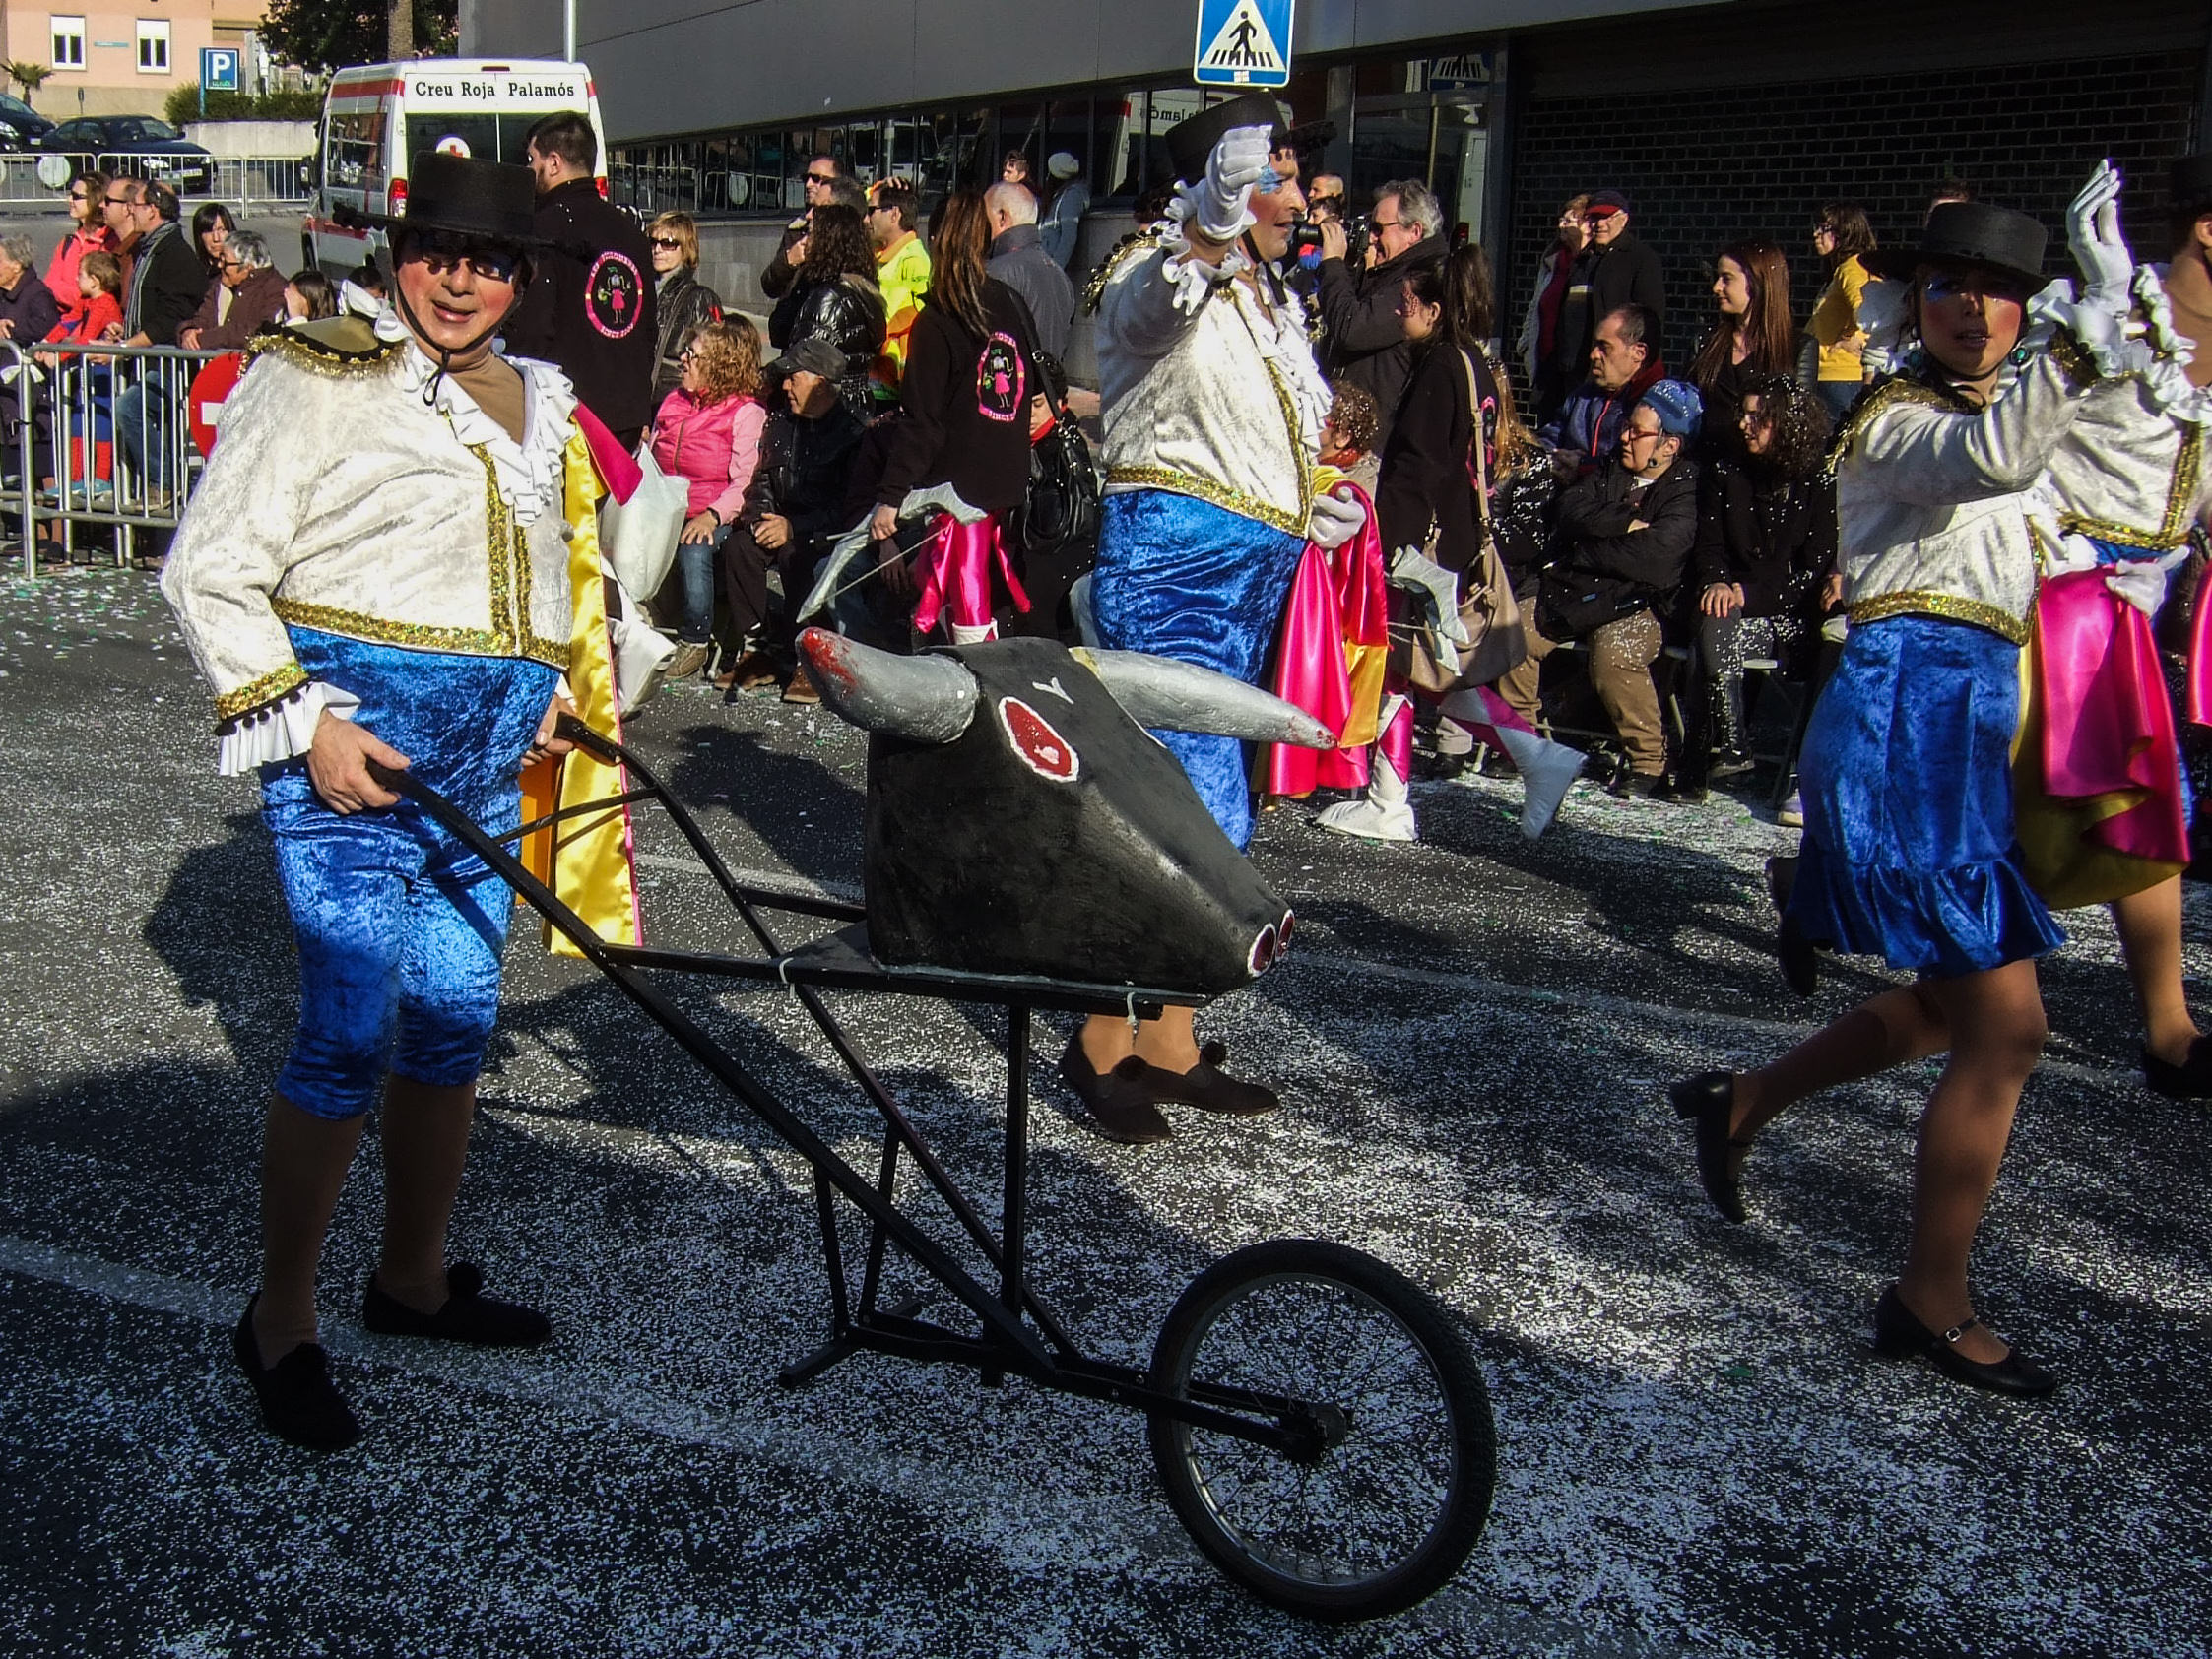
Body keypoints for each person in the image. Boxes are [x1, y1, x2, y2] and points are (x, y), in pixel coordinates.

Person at [160, 152, 633, 1449]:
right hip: (355, 766)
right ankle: (280, 1319)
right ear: (396, 254)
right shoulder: (318, 373)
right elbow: (209, 569)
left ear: (521, 277)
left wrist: (544, 684)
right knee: (346, 1030)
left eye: (488, 262)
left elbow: (544, 570)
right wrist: (306, 723)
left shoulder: (538, 398)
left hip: (483, 773)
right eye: (437, 254)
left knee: (454, 1024)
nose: (459, 283)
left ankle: (412, 1280)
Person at [1669, 187, 2147, 1399]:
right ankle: (1928, 1298)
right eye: (1947, 287)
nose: (1971, 310)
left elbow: (2129, 495)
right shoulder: (1891, 415)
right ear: (1912, 301)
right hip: (1903, 734)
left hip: (1964, 738)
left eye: (1998, 293)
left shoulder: (2006, 407)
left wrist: (2138, 341)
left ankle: (1744, 1098)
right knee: (2007, 1028)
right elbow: (1990, 462)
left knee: (1948, 1009)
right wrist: (2076, 345)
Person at [1070, 92, 1362, 1142]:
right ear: (1219, 184)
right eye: (1277, 176)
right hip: (1172, 581)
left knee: (1214, 817)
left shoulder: (1265, 300)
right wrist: (1207, 224)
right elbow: (1149, 314)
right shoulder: (1153, 272)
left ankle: (1169, 1040)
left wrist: (1307, 500)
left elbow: (1250, 432)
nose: (1299, 197)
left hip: (1242, 591)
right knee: (1169, 817)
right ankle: (1099, 1040)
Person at [2009, 155, 2212, 1100]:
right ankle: (1824, 887)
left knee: (2144, 795)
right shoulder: (2114, 307)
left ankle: (2169, 1028)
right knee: (2016, 798)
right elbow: (2015, 429)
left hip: (2133, 602)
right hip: (2053, 584)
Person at [1319, 245, 1586, 844]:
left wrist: (1389, 545)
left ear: (1435, 309)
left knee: (1399, 665)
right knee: (1429, 672)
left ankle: (1389, 801)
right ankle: (1535, 759)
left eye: (1408, 302)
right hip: (1455, 541)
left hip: (1424, 548)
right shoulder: (1472, 361)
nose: (1399, 311)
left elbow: (1417, 467)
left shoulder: (1440, 366)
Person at [868, 189, 1044, 644]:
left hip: (960, 494)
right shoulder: (1010, 302)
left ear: (937, 242)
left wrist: (890, 497)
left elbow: (921, 421)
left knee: (969, 611)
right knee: (962, 596)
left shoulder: (938, 318)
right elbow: (1042, 381)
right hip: (1007, 482)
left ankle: (977, 682)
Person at [1518, 379, 1704, 797]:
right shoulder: (1611, 469)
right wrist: (1623, 524)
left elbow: (1655, 558)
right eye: (1626, 427)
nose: (1624, 437)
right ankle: (1522, 739)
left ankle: (1649, 759)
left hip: (1643, 601)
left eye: (1637, 432)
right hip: (1577, 589)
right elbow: (1569, 510)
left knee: (1615, 651)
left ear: (1669, 446)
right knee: (1516, 631)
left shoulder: (1686, 490)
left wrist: (1587, 548)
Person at [1675, 373, 1836, 797]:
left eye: (1756, 417)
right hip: (1730, 608)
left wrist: (1750, 595)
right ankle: (1732, 741)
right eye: (1743, 414)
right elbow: (1709, 545)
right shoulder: (1726, 472)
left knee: (1707, 642)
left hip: (1789, 614)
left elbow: (1813, 568)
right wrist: (1717, 582)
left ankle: (1702, 759)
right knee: (1713, 614)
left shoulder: (1818, 481)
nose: (1744, 424)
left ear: (1785, 424)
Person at [721, 335, 869, 702]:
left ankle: (809, 655)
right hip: (780, 520)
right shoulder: (781, 424)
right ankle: (761, 646)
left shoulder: (854, 432)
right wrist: (760, 520)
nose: (785, 386)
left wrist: (793, 528)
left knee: (798, 555)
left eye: (793, 378)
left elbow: (850, 507)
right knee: (739, 547)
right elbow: (761, 483)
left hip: (822, 532)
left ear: (821, 383)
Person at [503, 109, 658, 446]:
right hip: (626, 416)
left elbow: (533, 329)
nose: (529, 170)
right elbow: (647, 329)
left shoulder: (543, 229)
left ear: (553, 163)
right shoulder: (631, 231)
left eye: (532, 160)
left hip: (566, 417)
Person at [650, 317, 765, 680]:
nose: (683, 359)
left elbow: (745, 481)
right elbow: (652, 454)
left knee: (695, 546)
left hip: (717, 512)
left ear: (720, 365)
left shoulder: (745, 413)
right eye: (686, 351)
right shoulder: (674, 400)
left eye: (693, 355)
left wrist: (713, 515)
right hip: (667, 504)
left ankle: (695, 639)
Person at [1314, 179, 1446, 444]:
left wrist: (1333, 264)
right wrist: (1355, 268)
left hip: (1376, 442)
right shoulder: (1390, 274)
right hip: (1350, 433)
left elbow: (1353, 329)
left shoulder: (1420, 283)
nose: (1372, 238)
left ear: (1414, 232)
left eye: (1378, 229)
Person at [105, 179, 204, 512]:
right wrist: (126, 331)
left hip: (169, 361)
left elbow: (171, 317)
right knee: (147, 420)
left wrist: (130, 344)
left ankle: (165, 483)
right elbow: (149, 307)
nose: (130, 210)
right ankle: (163, 490)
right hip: (147, 357)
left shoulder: (174, 253)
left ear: (153, 210)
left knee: (129, 408)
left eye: (136, 204)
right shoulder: (149, 249)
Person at [1547, 189, 1664, 414]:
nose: (1600, 224)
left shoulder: (1641, 259)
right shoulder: (1581, 261)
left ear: (1624, 219)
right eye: (1594, 218)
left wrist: (1638, 374)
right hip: (1574, 373)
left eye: (1606, 217)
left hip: (1620, 380)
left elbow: (1651, 321)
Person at [776, 203, 885, 422]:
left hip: (823, 411)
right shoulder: (861, 289)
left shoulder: (829, 299)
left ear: (828, 241)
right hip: (855, 405)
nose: (804, 242)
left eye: (811, 233)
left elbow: (805, 362)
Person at [1688, 241, 1793, 458]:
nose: (1716, 287)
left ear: (1758, 282)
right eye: (1718, 277)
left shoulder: (1796, 348)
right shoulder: (1706, 341)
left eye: (1727, 278)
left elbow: (1795, 424)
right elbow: (1686, 406)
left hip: (1762, 468)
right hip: (1705, 465)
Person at [1539, 302, 1667, 478]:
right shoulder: (1582, 396)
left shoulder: (1660, 408)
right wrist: (1551, 458)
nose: (1593, 355)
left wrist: (1584, 467)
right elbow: (1550, 438)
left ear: (1638, 353)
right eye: (1595, 345)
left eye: (1604, 347)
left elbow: (1643, 467)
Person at [1519, 193, 1592, 422]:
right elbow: (1536, 304)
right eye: (1561, 220)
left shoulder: (1591, 262)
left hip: (1575, 367)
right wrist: (1525, 343)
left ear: (1586, 225)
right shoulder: (1553, 259)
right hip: (1546, 362)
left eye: (1568, 221)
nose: (1561, 225)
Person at [984, 180, 1075, 360]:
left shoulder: (994, 273)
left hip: (1007, 375)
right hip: (1049, 377)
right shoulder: (1059, 275)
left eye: (983, 218)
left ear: (1002, 217)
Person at [760, 157, 866, 306]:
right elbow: (770, 286)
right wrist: (788, 261)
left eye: (817, 179)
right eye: (806, 178)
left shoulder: (853, 229)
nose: (809, 184)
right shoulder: (796, 228)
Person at [1808, 203, 1879, 420]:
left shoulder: (1851, 268)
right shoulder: (1844, 269)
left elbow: (1868, 308)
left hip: (1839, 377)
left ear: (1846, 231)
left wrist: (1852, 338)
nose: (1816, 234)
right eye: (1816, 227)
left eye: (1824, 228)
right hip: (1831, 376)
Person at [647, 211, 723, 404]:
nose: (657, 249)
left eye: (668, 243)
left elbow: (713, 359)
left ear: (685, 248)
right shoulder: (641, 289)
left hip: (675, 400)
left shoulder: (700, 298)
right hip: (640, 398)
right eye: (653, 242)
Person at [867, 180, 932, 401]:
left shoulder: (914, 260)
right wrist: (880, 185)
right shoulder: (882, 254)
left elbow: (893, 317)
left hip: (894, 386)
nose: (867, 218)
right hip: (879, 381)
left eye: (872, 210)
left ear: (894, 214)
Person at [179, 230, 289, 351]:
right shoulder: (218, 285)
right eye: (220, 258)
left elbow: (262, 331)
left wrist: (207, 339)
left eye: (225, 262)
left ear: (247, 268)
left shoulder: (276, 289)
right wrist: (187, 332)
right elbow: (202, 319)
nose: (219, 265)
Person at [41, 168, 113, 336]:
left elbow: (103, 299)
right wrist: (84, 295)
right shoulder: (68, 242)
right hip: (63, 329)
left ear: (95, 200)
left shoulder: (109, 242)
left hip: (95, 333)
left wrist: (72, 294)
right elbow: (49, 285)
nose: (69, 200)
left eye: (76, 196)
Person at [1039, 151, 1091, 272]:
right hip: (1044, 260)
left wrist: (1056, 269)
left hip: (1053, 265)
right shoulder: (1057, 195)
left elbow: (1068, 237)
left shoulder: (1071, 197)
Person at [191, 202, 238, 290]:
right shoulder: (193, 272)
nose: (216, 239)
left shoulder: (243, 270)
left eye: (221, 230)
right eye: (208, 231)